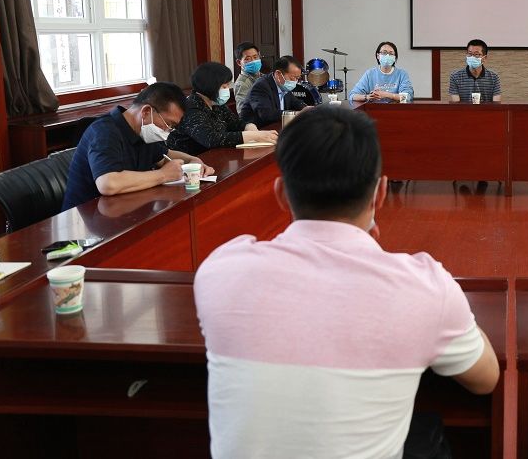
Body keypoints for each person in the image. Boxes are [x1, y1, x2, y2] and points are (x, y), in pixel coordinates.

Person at [194, 108, 500, 459]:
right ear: (380, 194)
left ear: (281, 194)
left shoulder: (220, 270)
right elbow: (486, 379)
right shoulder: (425, 288)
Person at [62, 82, 215, 211]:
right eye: (169, 124)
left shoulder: (142, 131)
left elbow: (165, 156)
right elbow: (108, 183)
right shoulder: (104, 132)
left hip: (124, 211)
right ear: (146, 112)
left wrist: (193, 161)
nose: (168, 130)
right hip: (86, 222)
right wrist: (163, 175)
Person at [167, 62, 279, 156]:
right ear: (210, 86)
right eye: (224, 86)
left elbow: (235, 122)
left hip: (215, 155)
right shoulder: (191, 107)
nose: (227, 89)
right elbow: (211, 139)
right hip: (190, 162)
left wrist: (250, 127)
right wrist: (253, 136)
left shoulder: (216, 103)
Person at [240, 55, 308, 126]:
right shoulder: (261, 86)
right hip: (257, 129)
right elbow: (266, 114)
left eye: (297, 78)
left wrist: (305, 108)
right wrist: (295, 114)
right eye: (292, 78)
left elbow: (294, 102)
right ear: (278, 74)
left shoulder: (283, 85)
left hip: (276, 126)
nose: (295, 82)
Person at [349, 41, 414, 103]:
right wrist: (367, 97)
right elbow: (352, 96)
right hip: (374, 109)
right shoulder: (370, 74)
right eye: (384, 53)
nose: (387, 56)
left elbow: (408, 97)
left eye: (391, 54)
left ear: (395, 58)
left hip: (395, 109)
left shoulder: (402, 74)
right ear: (378, 56)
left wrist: (388, 95)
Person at [449, 39, 501, 103]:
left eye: (476, 54)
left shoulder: (494, 77)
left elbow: (496, 104)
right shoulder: (455, 76)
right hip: (464, 109)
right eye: (470, 54)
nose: (472, 57)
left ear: (484, 58)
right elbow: (456, 104)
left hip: (486, 109)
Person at [232, 42, 263, 114]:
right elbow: (243, 113)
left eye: (255, 57)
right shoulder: (242, 84)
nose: (253, 61)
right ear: (239, 62)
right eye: (248, 59)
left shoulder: (264, 76)